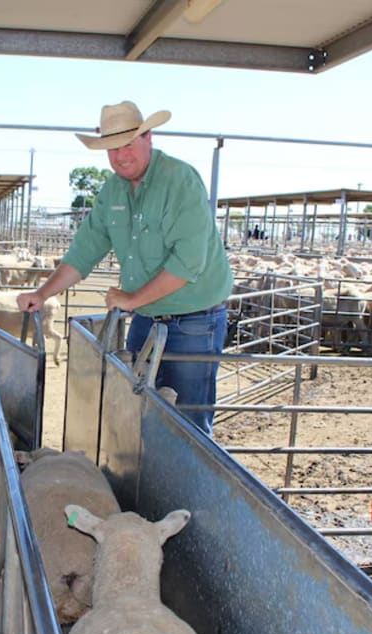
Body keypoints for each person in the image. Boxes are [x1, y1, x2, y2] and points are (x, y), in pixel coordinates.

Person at [17, 100, 233, 435]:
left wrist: (131, 300)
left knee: (189, 423)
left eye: (128, 144)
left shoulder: (180, 180)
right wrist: (43, 293)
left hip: (194, 320)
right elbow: (85, 251)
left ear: (148, 136)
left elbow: (188, 263)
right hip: (146, 317)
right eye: (111, 149)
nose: (120, 156)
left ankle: (183, 486)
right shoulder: (113, 190)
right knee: (134, 409)